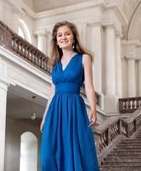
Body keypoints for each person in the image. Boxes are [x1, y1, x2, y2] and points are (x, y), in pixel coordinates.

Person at [40, 21, 100, 171]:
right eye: (60, 35)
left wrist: (93, 109)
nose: (63, 37)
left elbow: (89, 86)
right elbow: (52, 91)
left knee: (76, 148)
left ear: (73, 37)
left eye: (67, 34)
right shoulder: (54, 63)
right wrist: (44, 117)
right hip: (55, 110)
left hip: (74, 107)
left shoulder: (84, 58)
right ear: (56, 40)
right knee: (48, 154)